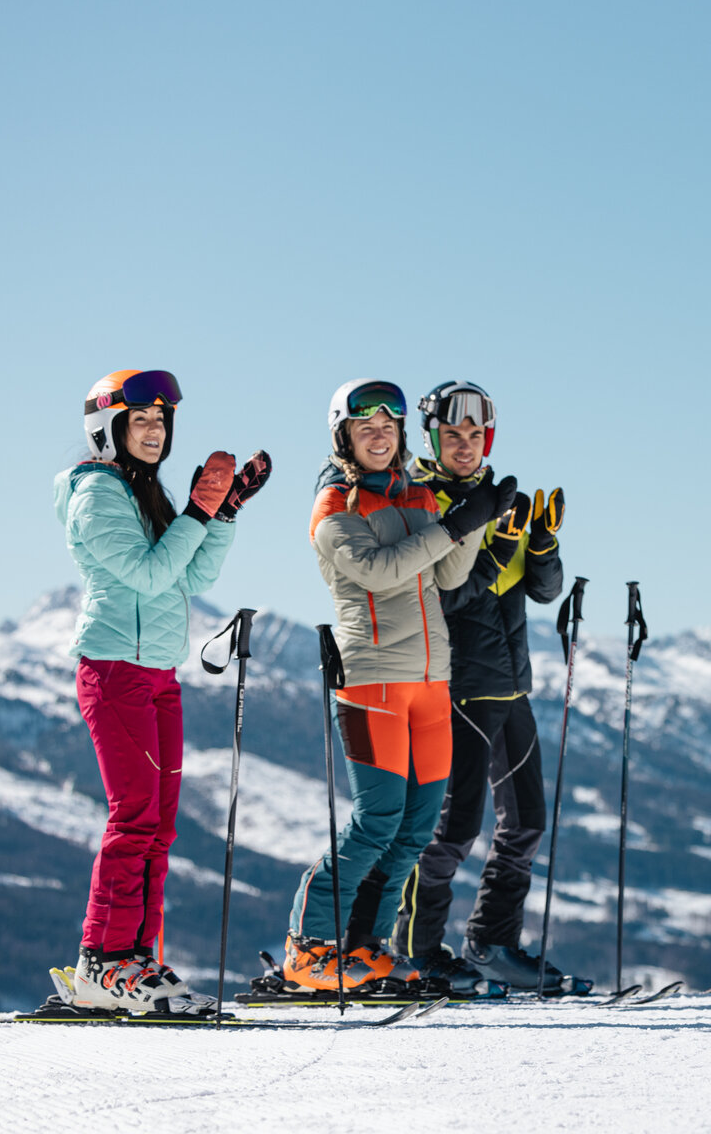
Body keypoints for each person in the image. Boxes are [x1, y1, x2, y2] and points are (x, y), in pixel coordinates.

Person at [282, 379, 514, 993]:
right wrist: (454, 523)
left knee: (415, 827)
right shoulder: (334, 505)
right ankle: (309, 948)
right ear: (344, 436)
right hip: (372, 679)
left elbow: (447, 573)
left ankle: (367, 946)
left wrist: (470, 517)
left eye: (388, 426)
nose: (379, 435)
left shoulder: (415, 494)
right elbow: (380, 573)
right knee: (376, 820)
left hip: (432, 681)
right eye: (366, 427)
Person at [57, 370, 271, 1013]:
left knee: (160, 827)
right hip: (115, 670)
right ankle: (103, 960)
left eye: (161, 422)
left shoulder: (142, 490)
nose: (154, 432)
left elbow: (194, 571)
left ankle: (137, 958)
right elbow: (148, 575)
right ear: (109, 427)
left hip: (158, 674)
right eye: (140, 421)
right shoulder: (96, 494)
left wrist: (223, 513)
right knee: (133, 818)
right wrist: (200, 512)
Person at [392, 381, 573, 993]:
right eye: (452, 435)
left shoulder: (502, 500)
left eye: (474, 436)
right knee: (453, 827)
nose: (464, 446)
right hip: (455, 686)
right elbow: (438, 597)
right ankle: (415, 951)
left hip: (510, 686)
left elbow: (543, 591)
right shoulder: (421, 504)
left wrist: (542, 546)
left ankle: (493, 943)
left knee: (525, 824)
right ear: (432, 439)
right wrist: (492, 549)